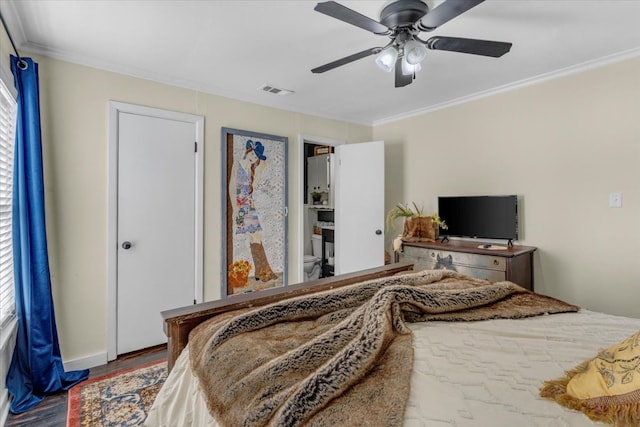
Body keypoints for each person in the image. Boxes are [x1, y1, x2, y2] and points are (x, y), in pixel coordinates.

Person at [228, 139, 277, 282]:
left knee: (255, 237)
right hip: (242, 206)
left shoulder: (251, 169)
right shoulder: (239, 165)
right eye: (252, 154)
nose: (253, 158)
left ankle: (261, 272)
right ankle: (263, 272)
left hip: (249, 205)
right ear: (247, 151)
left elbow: (252, 188)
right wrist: (235, 208)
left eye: (256, 157)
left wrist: (261, 166)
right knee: (256, 236)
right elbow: (232, 186)